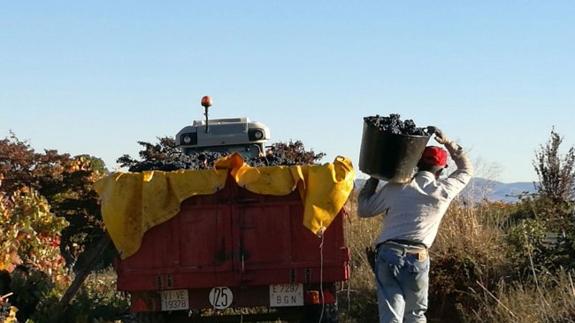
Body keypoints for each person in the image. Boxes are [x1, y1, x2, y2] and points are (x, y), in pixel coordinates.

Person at [358, 127, 473, 323]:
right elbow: (466, 170)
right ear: (442, 169)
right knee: (415, 315)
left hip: (388, 254)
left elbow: (364, 209)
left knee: (391, 316)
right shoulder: (443, 191)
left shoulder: (397, 186)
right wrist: (448, 143)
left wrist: (374, 177)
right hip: (417, 257)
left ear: (417, 163)